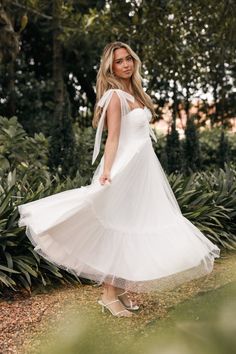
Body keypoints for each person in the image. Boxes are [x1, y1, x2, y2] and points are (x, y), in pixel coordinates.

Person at [18, 41, 220, 318]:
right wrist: (107, 172)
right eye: (119, 61)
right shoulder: (115, 96)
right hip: (124, 168)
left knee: (132, 225)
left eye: (128, 59)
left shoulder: (133, 92)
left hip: (143, 169)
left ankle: (119, 289)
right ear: (110, 67)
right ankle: (108, 295)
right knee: (118, 225)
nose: (125, 65)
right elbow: (113, 138)